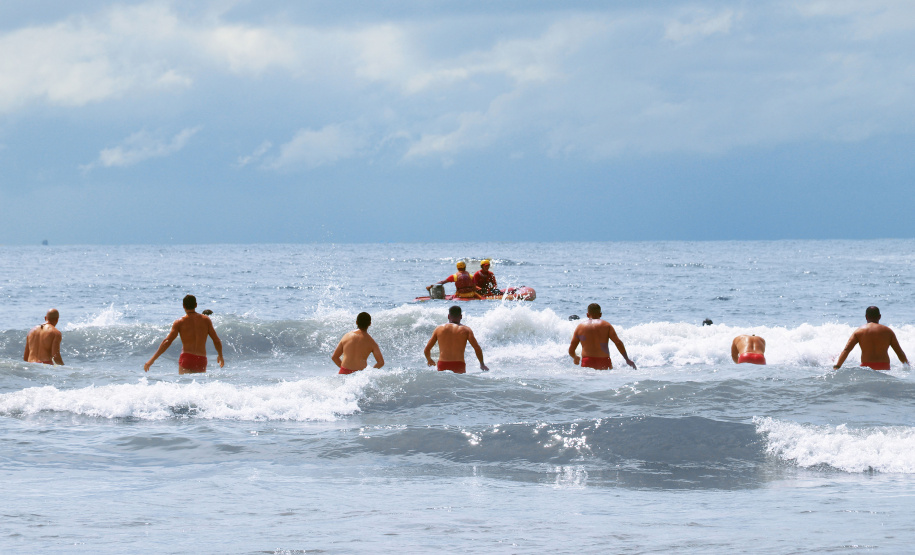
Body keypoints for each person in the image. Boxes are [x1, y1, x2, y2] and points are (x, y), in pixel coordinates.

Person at [144, 295, 225, 374]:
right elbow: (216, 340)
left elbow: (167, 341)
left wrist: (152, 360)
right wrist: (220, 355)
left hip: (187, 358)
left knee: (185, 385)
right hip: (201, 359)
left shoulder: (179, 322)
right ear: (196, 305)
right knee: (199, 385)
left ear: (183, 306)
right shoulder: (206, 320)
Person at [834, 306, 908, 371]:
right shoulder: (888, 331)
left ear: (866, 316)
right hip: (884, 367)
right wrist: (908, 367)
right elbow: (899, 352)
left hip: (866, 367)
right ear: (879, 316)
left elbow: (847, 350)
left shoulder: (859, 331)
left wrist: (837, 366)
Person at [568, 303, 636, 370]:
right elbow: (618, 342)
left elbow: (571, 350)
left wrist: (575, 357)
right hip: (604, 361)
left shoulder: (580, 327)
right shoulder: (606, 325)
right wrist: (627, 359)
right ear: (600, 314)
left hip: (587, 361)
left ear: (587, 314)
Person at [424, 305, 488, 373]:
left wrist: (429, 360)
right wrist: (482, 364)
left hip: (442, 364)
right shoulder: (466, 330)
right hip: (459, 364)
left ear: (448, 316)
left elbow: (427, 349)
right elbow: (477, 348)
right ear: (461, 316)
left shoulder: (439, 329)